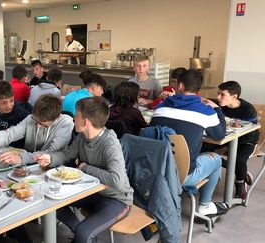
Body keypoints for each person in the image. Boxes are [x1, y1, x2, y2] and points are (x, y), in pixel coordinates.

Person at [34, 97, 133, 243]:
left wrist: (87, 168)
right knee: (51, 202)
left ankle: (83, 234)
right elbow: (68, 154)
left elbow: (117, 181)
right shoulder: (82, 136)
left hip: (115, 199)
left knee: (83, 233)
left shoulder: (110, 143)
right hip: (91, 191)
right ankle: (83, 234)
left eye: (76, 115)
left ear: (85, 122)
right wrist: (50, 158)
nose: (73, 119)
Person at [151, 69, 228, 217]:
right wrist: (218, 109)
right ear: (198, 90)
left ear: (179, 86)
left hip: (156, 169)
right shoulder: (205, 111)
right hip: (183, 174)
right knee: (216, 158)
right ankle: (205, 206)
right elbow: (219, 135)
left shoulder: (161, 107)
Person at [0, 94, 74, 165]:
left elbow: (52, 153)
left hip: (51, 167)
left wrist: (22, 158)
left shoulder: (66, 123)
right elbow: (11, 133)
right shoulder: (31, 118)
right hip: (29, 165)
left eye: (44, 125)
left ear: (56, 118)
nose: (38, 126)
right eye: (36, 121)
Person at [216, 81, 259, 199]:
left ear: (234, 97)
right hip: (226, 140)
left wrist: (229, 144)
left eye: (222, 94)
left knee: (239, 160)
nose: (218, 97)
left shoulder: (248, 110)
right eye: (218, 93)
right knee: (205, 151)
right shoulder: (218, 105)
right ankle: (241, 172)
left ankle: (240, 184)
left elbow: (251, 134)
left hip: (247, 141)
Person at [0, 81, 30, 148]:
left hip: (15, 151)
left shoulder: (22, 114)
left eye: (11, 100)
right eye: (3, 103)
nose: (9, 106)